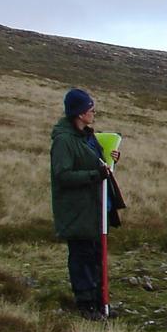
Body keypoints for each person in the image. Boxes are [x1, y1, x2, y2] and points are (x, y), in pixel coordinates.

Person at [50, 87, 120, 318]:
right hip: (77, 210)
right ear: (80, 113)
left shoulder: (87, 137)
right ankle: (85, 304)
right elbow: (62, 175)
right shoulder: (64, 142)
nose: (93, 113)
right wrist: (94, 175)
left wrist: (110, 157)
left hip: (94, 208)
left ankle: (100, 303)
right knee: (82, 257)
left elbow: (96, 160)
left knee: (96, 255)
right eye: (91, 109)